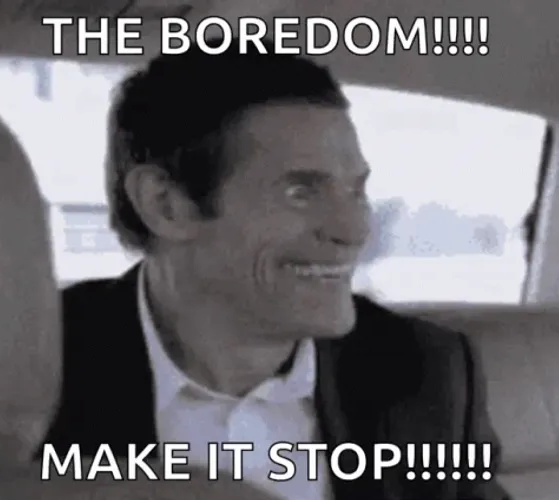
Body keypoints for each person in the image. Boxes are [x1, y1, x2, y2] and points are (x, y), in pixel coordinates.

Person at [38, 37, 511, 499]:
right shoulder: (27, 374)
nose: (353, 230)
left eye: (356, 191)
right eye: (300, 191)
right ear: (167, 205)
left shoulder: (424, 371)